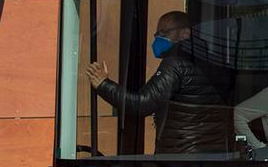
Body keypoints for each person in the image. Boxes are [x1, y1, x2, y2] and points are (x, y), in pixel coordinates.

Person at [86, 10, 230, 154]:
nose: (158, 38)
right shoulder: (215, 64)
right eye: (157, 34)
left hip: (180, 157)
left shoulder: (175, 64)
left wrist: (102, 84)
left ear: (185, 33)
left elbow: (143, 104)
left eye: (164, 32)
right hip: (214, 156)